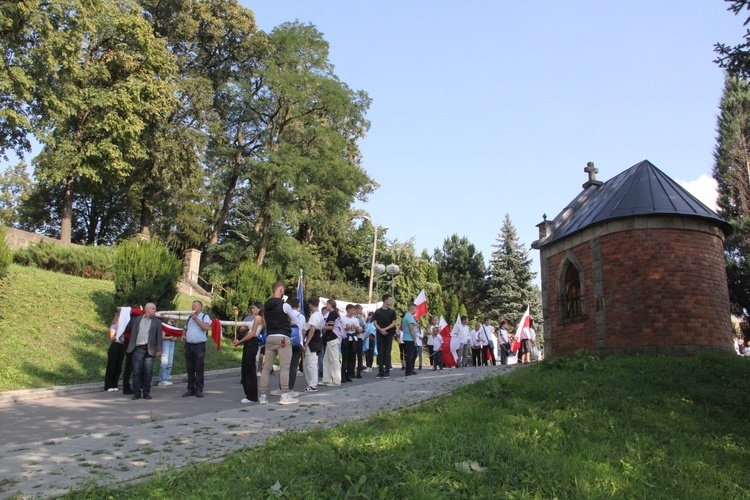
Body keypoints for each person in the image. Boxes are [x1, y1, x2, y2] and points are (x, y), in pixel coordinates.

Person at [259, 282, 300, 405]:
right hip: (283, 337)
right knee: (284, 367)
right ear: (281, 290)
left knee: (266, 368)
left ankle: (262, 396)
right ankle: (285, 395)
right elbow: (295, 320)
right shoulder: (285, 305)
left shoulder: (266, 305)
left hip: (270, 337)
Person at [125, 303, 162, 400]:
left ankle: (146, 392)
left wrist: (159, 349)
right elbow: (126, 327)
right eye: (153, 308)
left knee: (148, 372)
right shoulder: (136, 320)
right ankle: (137, 392)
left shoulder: (157, 322)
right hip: (138, 348)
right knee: (136, 371)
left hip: (150, 349)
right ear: (147, 309)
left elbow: (159, 336)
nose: (155, 310)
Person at [270, 297, 305, 397]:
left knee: (284, 366)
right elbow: (302, 330)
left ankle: (282, 388)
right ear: (298, 306)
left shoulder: (285, 315)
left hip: (286, 341)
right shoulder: (301, 317)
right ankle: (290, 389)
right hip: (298, 343)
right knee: (294, 367)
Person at [233, 302, 264, 403]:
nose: (252, 310)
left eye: (254, 308)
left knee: (249, 368)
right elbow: (251, 329)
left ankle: (251, 396)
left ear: (259, 309)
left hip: (251, 342)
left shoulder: (258, 318)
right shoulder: (259, 319)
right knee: (247, 368)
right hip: (251, 343)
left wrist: (239, 342)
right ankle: (250, 394)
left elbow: (252, 333)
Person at [181, 300, 211, 398]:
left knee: (199, 368)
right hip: (189, 345)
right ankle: (191, 389)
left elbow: (206, 327)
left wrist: (196, 319)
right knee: (190, 368)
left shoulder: (204, 317)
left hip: (199, 346)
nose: (193, 307)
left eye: (195, 305)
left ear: (200, 307)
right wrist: (183, 335)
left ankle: (199, 389)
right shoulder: (189, 317)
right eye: (192, 305)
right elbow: (185, 328)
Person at [373, 294, 397, 379]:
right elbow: (375, 322)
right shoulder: (378, 311)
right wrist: (380, 329)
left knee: (387, 353)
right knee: (380, 353)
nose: (391, 301)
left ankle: (387, 371)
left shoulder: (392, 312)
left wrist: (385, 329)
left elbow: (394, 323)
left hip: (389, 334)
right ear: (385, 300)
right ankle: (380, 371)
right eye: (390, 299)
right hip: (380, 334)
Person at [303, 297, 324, 392]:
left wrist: (306, 342)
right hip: (317, 337)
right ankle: (312, 384)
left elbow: (312, 329)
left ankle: (312, 384)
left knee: (310, 362)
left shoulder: (314, 316)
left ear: (311, 304)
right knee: (311, 362)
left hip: (312, 339)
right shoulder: (320, 315)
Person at [320, 298, 342, 387]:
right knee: (326, 360)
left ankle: (336, 380)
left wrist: (321, 327)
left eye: (327, 304)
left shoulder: (332, 314)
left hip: (332, 338)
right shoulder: (333, 314)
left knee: (334, 359)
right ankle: (326, 379)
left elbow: (331, 327)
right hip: (330, 339)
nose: (326, 306)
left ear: (330, 305)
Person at [340, 304, 361, 382]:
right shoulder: (342, 319)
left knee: (352, 358)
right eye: (353, 310)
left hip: (353, 339)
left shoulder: (356, 320)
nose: (354, 311)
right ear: (348, 310)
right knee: (345, 357)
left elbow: (359, 331)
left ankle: (349, 374)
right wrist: (346, 328)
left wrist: (356, 328)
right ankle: (343, 375)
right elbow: (340, 329)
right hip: (346, 338)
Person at [104, 311, 123, 392]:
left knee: (118, 366)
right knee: (112, 365)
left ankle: (115, 384)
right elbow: (112, 337)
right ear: (115, 320)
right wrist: (118, 332)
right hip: (115, 346)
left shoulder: (123, 329)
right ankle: (108, 385)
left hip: (121, 347)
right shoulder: (114, 327)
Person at [158, 321, 178, 386]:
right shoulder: (164, 325)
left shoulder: (173, 325)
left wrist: (174, 338)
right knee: (165, 361)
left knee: (170, 362)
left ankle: (166, 378)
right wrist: (170, 337)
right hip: (166, 342)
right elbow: (162, 337)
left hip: (172, 342)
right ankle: (162, 379)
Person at [401, 303, 418, 376]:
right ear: (412, 308)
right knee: (410, 355)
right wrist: (415, 340)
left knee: (413, 354)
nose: (416, 310)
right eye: (415, 309)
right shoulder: (409, 317)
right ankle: (408, 370)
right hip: (409, 339)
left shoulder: (407, 316)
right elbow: (411, 329)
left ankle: (410, 369)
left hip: (408, 338)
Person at [354, 304, 366, 378]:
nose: (361, 311)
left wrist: (363, 330)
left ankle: (359, 371)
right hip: (355, 337)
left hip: (360, 337)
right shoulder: (354, 317)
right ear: (357, 309)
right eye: (360, 310)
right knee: (353, 355)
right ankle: (352, 371)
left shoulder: (361, 318)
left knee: (359, 355)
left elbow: (365, 327)